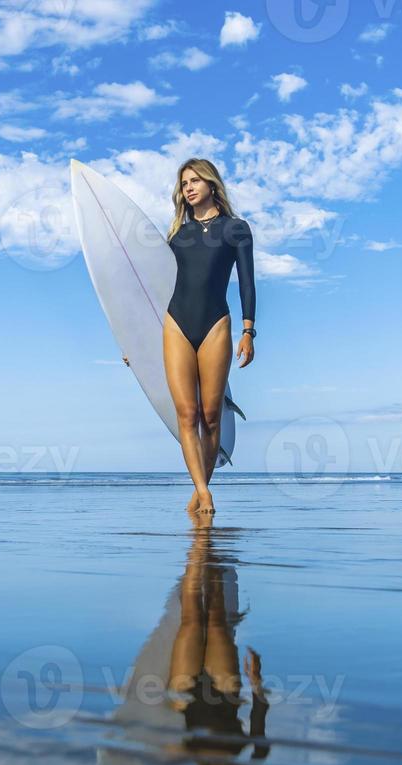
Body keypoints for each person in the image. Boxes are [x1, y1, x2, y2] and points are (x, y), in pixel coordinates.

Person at [162, 158, 257, 516]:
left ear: (211, 183)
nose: (188, 187)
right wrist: (135, 342)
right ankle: (204, 492)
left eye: (195, 180)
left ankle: (199, 492)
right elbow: (157, 287)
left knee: (210, 416)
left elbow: (247, 282)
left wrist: (248, 332)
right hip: (175, 323)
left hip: (216, 323)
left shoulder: (236, 229)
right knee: (186, 414)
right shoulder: (177, 235)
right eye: (184, 182)